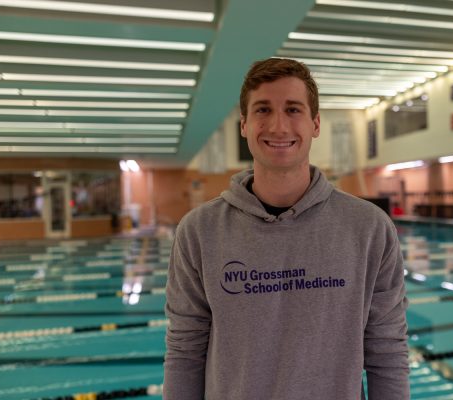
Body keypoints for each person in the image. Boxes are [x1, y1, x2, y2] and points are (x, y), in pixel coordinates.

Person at [163, 58, 409, 400]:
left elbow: (387, 351)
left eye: (293, 110)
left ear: (315, 124)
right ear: (244, 124)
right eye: (263, 110)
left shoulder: (369, 229)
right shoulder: (199, 232)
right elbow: (185, 352)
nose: (278, 127)